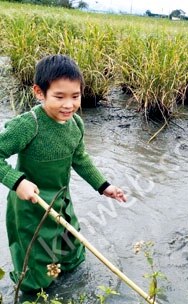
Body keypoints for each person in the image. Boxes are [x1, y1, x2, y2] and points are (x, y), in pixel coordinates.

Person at [0, 54, 127, 292]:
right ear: (39, 92)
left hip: (61, 202)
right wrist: (17, 183)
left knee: (72, 251)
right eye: (59, 97)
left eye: (75, 96)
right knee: (35, 267)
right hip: (31, 208)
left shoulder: (75, 125)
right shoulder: (28, 125)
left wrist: (104, 186)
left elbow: (80, 159)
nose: (68, 105)